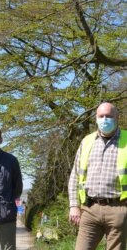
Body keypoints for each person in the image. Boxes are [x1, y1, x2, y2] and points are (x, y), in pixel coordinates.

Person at [68, 102, 127, 250]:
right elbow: (75, 176)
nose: (105, 119)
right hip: (89, 209)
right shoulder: (87, 141)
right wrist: (74, 206)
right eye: (101, 116)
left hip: (118, 209)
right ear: (96, 118)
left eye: (109, 116)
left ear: (117, 117)